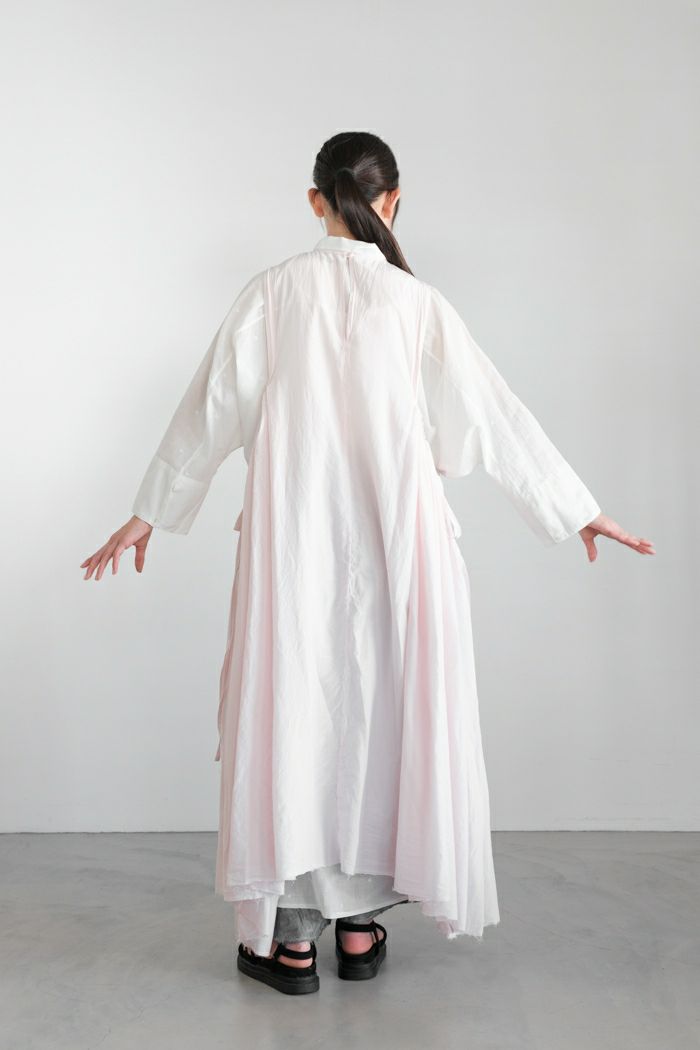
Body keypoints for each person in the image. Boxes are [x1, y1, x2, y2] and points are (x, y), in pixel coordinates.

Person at [80, 131, 655, 996]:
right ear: (393, 200)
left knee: (295, 715)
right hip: (398, 544)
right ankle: (358, 932)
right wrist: (578, 508)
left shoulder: (273, 293)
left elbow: (209, 412)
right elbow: (493, 416)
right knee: (385, 717)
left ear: (316, 200)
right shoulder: (416, 303)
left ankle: (293, 944)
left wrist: (149, 512)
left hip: (296, 542)